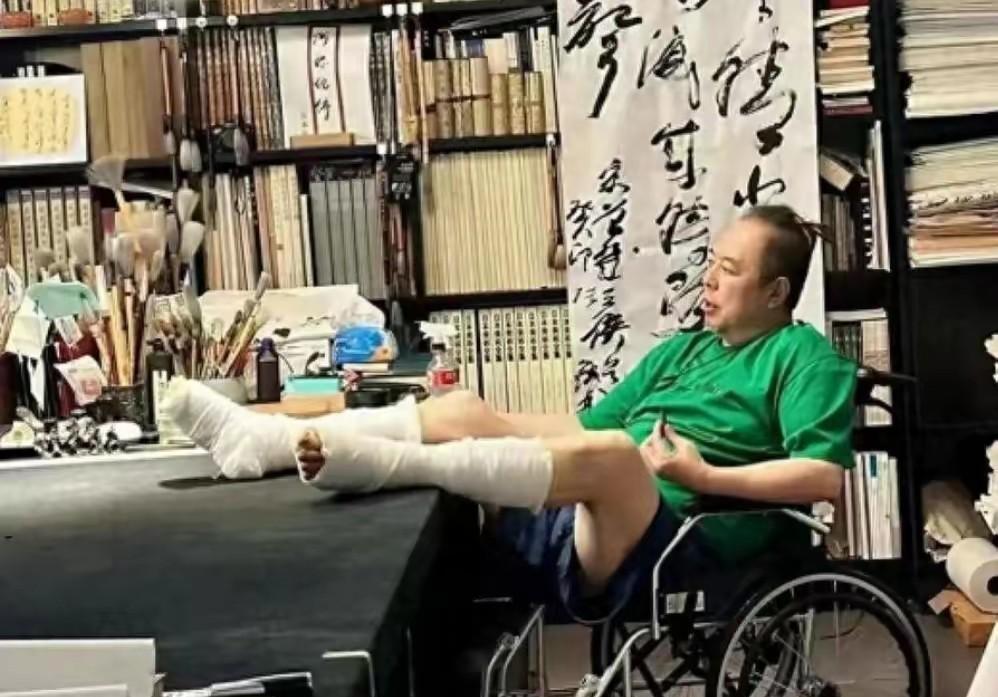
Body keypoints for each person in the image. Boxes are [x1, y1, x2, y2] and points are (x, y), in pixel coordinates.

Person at [164, 204, 856, 622]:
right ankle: (265, 441)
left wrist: (704, 475)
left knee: (616, 456)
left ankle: (382, 463)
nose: (708, 280)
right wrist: (486, 418)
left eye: (729, 270)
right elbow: (581, 428)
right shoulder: (686, 351)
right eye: (712, 263)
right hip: (597, 506)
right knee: (463, 407)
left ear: (776, 292)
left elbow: (823, 478)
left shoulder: (804, 358)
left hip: (680, 537)